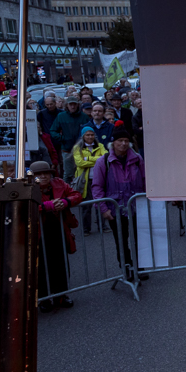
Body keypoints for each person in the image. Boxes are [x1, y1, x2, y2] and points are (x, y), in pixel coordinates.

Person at [91, 127, 149, 282]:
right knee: (121, 241)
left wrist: (147, 202)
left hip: (136, 207)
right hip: (115, 208)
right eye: (120, 141)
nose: (123, 144)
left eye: (126, 141)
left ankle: (140, 267)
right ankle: (126, 268)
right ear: (113, 143)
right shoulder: (103, 162)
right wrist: (103, 209)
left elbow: (145, 181)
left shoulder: (137, 159)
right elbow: (97, 187)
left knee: (139, 239)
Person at [31, 160, 82, 312]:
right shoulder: (27, 187)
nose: (43, 176)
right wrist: (48, 206)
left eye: (46, 173)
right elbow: (24, 207)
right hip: (38, 233)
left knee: (61, 264)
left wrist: (65, 202)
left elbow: (76, 195)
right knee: (40, 267)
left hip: (59, 230)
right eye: (39, 174)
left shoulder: (59, 183)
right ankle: (44, 299)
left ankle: (61, 295)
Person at [72, 126, 109, 236]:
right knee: (86, 205)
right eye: (87, 135)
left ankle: (102, 226)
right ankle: (86, 229)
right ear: (83, 136)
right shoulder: (77, 148)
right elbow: (79, 163)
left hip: (99, 179)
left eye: (92, 134)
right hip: (85, 180)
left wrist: (87, 158)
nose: (90, 137)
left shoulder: (100, 145)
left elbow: (106, 157)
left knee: (100, 203)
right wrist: (97, 159)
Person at [50, 95, 89, 182]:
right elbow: (53, 130)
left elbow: (90, 130)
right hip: (67, 149)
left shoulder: (84, 117)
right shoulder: (61, 116)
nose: (73, 106)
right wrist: (62, 138)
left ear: (78, 105)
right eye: (70, 104)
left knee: (82, 173)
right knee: (68, 173)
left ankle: (80, 189)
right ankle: (66, 189)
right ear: (67, 105)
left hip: (82, 149)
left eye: (74, 104)